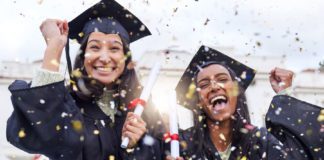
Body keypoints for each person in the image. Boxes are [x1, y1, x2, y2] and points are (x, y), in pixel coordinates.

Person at [6, 0, 164, 159]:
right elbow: (37, 132)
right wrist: (54, 46)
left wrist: (135, 146)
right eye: (94, 47)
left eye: (115, 48)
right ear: (83, 56)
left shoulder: (144, 106)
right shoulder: (67, 104)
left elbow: (164, 150)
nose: (104, 57)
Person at [164, 45, 323, 159]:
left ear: (236, 92)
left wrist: (284, 96)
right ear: (198, 102)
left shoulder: (261, 141)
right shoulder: (181, 145)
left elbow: (298, 151)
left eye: (222, 79)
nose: (214, 86)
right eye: (204, 85)